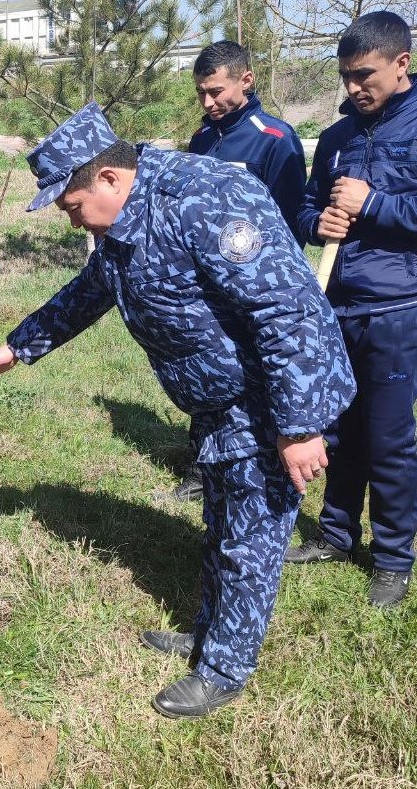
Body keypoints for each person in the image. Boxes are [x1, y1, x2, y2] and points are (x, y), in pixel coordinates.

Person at [0, 102, 355, 718]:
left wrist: (300, 425)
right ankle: (210, 633)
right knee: (222, 522)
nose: (74, 223)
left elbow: (286, 309)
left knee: (250, 537)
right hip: (217, 401)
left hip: (268, 397)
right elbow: (93, 289)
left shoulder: (205, 199)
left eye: (72, 207)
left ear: (110, 179)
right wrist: (17, 347)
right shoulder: (123, 220)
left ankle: (225, 669)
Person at [285, 12, 417, 609]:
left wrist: (376, 204)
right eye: (345, 78)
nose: (353, 88)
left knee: (388, 439)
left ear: (401, 64)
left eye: (364, 75)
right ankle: (336, 534)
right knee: (340, 432)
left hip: (398, 307)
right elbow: (307, 210)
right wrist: (321, 222)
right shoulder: (337, 139)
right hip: (339, 307)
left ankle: (392, 558)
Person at [170, 40, 308, 503]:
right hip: (205, 288)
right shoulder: (202, 140)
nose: (208, 103)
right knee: (206, 370)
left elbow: (288, 225)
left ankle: (268, 466)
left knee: (259, 377)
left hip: (253, 288)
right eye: (201, 95)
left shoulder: (275, 139)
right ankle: (203, 466)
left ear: (246, 80)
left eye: (216, 91)